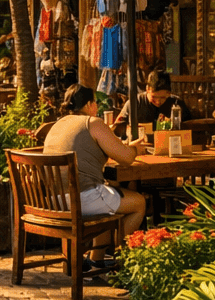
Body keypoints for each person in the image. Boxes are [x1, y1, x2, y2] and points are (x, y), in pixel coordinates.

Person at [42, 84, 150, 269]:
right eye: (95, 103)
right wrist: (134, 148)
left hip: (55, 200)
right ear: (89, 104)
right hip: (81, 199)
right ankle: (119, 257)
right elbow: (126, 159)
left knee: (106, 197)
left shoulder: (57, 124)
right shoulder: (93, 123)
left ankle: (96, 260)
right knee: (138, 203)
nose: (97, 108)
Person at [115, 71, 191, 129]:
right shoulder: (135, 103)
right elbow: (117, 127)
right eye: (154, 97)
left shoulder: (176, 105)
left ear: (169, 93)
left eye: (163, 97)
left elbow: (189, 126)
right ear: (147, 89)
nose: (158, 101)